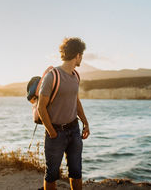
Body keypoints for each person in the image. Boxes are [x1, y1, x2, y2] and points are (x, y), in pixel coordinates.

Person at [38, 37, 90, 190]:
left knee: (76, 172)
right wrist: (52, 132)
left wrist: (85, 123)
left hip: (74, 130)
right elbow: (41, 107)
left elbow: (76, 101)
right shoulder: (52, 76)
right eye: (82, 55)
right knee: (52, 175)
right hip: (55, 133)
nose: (82, 58)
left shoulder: (76, 76)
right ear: (77, 55)